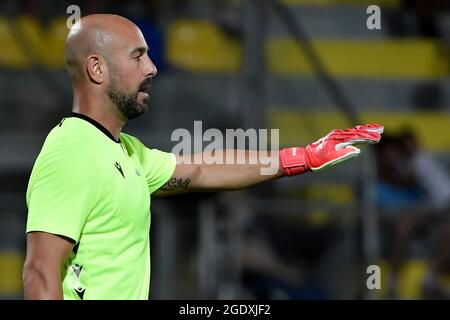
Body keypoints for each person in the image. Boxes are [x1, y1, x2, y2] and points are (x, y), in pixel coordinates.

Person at [22, 14, 383, 300]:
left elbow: (201, 169)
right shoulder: (72, 154)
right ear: (97, 68)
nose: (152, 68)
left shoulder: (126, 152)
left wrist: (303, 157)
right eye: (137, 56)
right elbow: (40, 272)